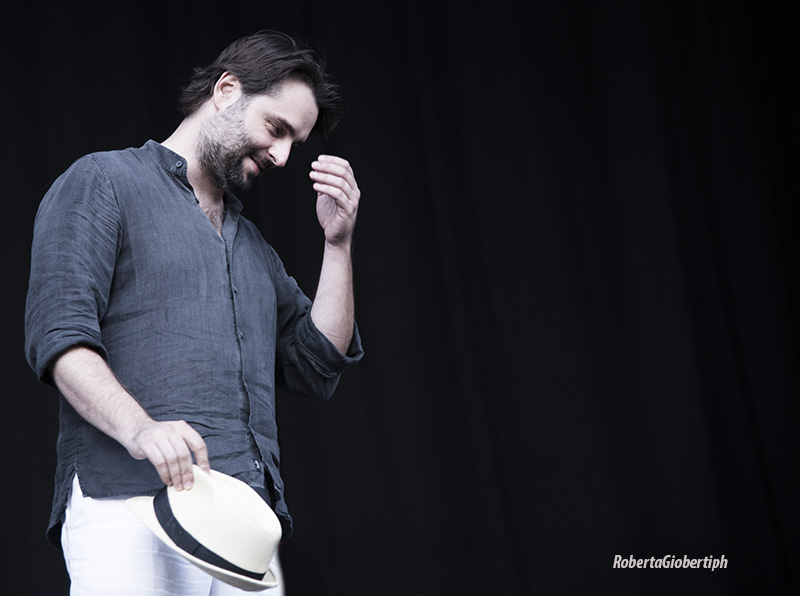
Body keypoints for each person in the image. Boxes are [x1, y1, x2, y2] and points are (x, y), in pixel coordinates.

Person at [24, 30, 363, 595]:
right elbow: (60, 336)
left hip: (243, 527)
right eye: (276, 129)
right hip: (126, 505)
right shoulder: (103, 181)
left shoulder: (254, 247)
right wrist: (140, 429)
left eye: (293, 144)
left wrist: (339, 244)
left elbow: (318, 362)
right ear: (226, 90)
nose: (282, 156)